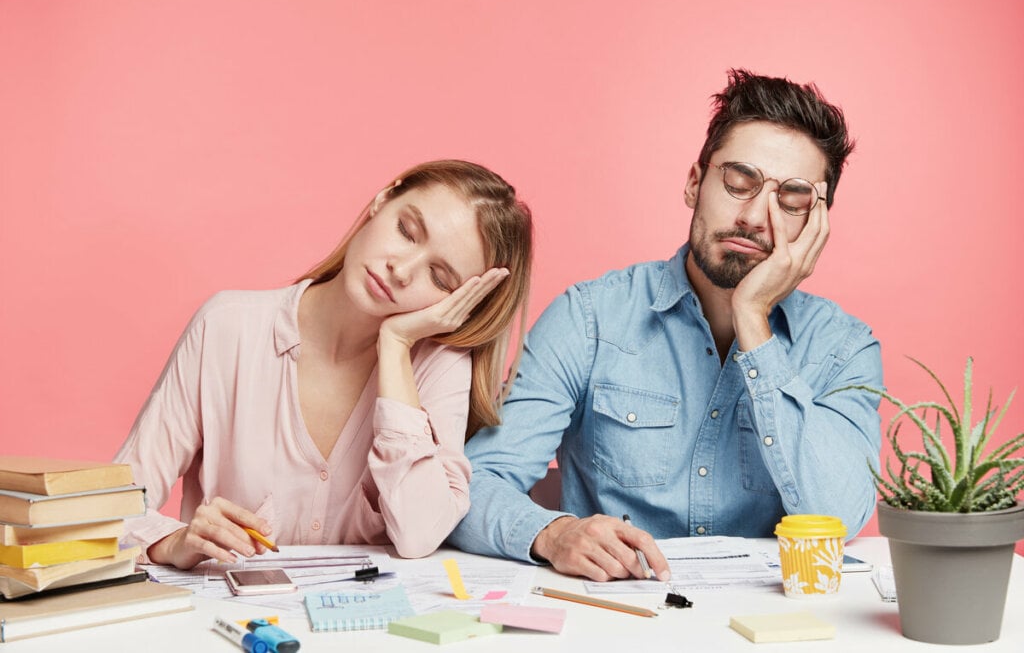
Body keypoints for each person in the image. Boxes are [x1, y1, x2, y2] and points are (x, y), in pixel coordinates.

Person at [448, 70, 883, 582]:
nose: (755, 217)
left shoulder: (845, 348)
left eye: (791, 199)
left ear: (816, 223)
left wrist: (753, 321)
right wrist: (553, 533)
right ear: (695, 183)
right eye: (739, 181)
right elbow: (473, 486)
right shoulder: (588, 318)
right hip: (614, 617)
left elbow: (839, 519)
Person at [115, 159, 532, 568]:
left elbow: (421, 533)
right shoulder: (227, 327)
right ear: (383, 199)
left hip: (369, 631)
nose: (401, 270)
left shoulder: (440, 367)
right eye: (406, 231)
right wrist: (169, 542)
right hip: (234, 628)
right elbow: (107, 510)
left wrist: (396, 344)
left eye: (441, 278)